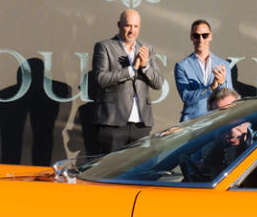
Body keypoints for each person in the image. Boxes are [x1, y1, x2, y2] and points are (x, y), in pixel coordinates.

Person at [92, 8, 165, 154]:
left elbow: (158, 83)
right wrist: (131, 70)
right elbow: (101, 79)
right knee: (110, 171)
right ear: (119, 25)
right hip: (113, 123)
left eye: (136, 26)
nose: (132, 30)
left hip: (141, 124)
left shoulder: (147, 49)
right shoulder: (104, 47)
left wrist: (144, 67)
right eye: (128, 25)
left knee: (138, 170)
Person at [174, 20, 233, 121]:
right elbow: (187, 97)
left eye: (204, 35)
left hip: (217, 120)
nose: (200, 39)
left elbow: (229, 99)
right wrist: (211, 88)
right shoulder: (182, 66)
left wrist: (222, 83)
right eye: (196, 35)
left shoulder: (223, 65)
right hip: (191, 122)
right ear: (191, 37)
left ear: (210, 36)